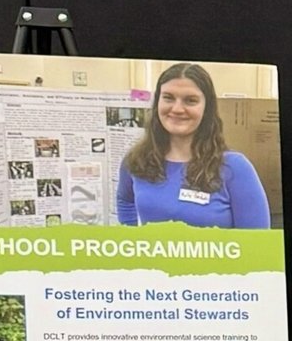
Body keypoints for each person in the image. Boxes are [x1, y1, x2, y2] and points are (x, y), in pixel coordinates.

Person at [116, 63, 271, 229]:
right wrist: (133, 241)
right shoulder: (137, 160)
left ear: (207, 108)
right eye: (168, 98)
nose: (177, 109)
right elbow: (125, 201)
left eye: (190, 101)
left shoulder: (235, 168)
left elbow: (258, 242)